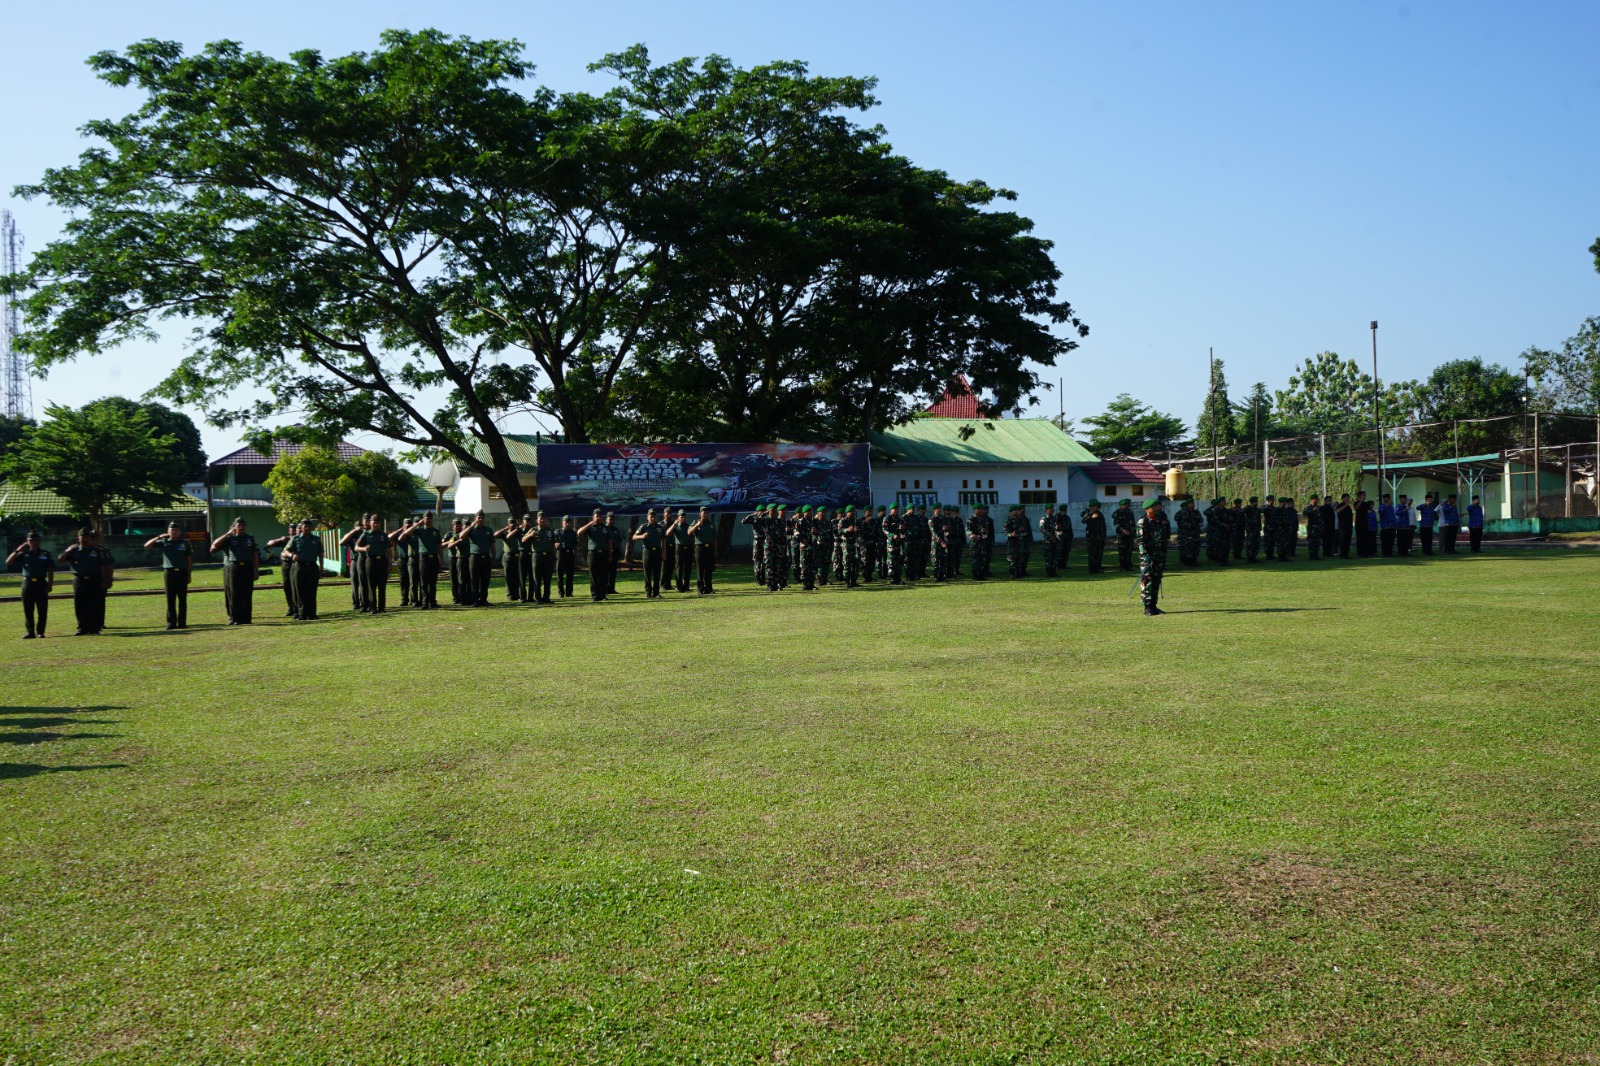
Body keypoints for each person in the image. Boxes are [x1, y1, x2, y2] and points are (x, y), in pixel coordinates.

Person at [59, 528, 114, 635]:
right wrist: (68, 550)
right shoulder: (74, 551)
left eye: (87, 537)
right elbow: (60, 560)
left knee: (94, 604)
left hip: (94, 579)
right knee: (79, 605)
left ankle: (94, 628)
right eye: (82, 537)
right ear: (78, 538)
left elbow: (103, 566)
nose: (84, 539)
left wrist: (105, 580)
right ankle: (82, 628)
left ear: (90, 538)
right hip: (79, 580)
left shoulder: (97, 551)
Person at [143, 521, 194, 629]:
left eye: (176, 530)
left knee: (182, 599)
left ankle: (182, 623)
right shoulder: (164, 542)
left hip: (182, 573)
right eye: (172, 530)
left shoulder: (185, 543)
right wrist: (158, 537)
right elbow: (147, 546)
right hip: (169, 573)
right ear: (168, 532)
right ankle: (171, 623)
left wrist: (189, 574)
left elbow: (189, 559)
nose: (174, 532)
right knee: (170, 599)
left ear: (179, 532)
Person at [211, 518, 260, 624]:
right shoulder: (229, 539)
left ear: (246, 527)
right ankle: (235, 618)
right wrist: (228, 533)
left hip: (247, 566)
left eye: (243, 525)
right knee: (234, 593)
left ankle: (247, 618)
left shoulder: (250, 539)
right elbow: (215, 545)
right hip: (234, 566)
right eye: (238, 525)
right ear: (235, 527)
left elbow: (255, 555)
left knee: (247, 593)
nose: (241, 527)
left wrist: (256, 570)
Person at [8, 531, 55, 638]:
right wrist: (18, 549)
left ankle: (40, 632)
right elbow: (9, 562)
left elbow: (51, 570)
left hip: (41, 583)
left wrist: (50, 584)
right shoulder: (23, 554)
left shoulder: (45, 554)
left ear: (40, 541)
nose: (33, 542)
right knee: (28, 609)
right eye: (31, 540)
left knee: (42, 609)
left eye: (36, 540)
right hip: (28, 583)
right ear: (27, 542)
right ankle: (30, 632)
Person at [283, 519, 324, 620]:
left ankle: (312, 613)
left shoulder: (316, 539)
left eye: (309, 526)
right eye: (305, 526)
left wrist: (321, 566)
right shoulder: (296, 539)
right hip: (299, 566)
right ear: (301, 528)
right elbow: (286, 550)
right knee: (300, 590)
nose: (307, 528)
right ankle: (302, 613)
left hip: (312, 566)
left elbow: (320, 554)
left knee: (312, 590)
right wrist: (292, 555)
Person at [401, 511, 443, 609]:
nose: (428, 520)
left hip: (434, 557)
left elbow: (439, 546)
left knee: (433, 581)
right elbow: (407, 532)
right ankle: (424, 602)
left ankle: (433, 602)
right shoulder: (419, 530)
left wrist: (441, 558)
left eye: (430, 518)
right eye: (426, 518)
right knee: (423, 581)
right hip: (423, 558)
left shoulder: (435, 531)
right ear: (423, 519)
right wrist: (418, 524)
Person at [1137, 497, 1169, 616]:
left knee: (1156, 580)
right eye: (1154, 506)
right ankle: (1147, 607)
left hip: (1159, 555)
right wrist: (1145, 555)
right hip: (1148, 557)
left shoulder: (1158, 520)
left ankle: (1154, 606)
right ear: (1148, 508)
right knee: (1147, 582)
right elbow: (1140, 541)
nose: (1157, 508)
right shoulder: (1143, 521)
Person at [356, 517, 392, 612]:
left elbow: (389, 551)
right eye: (374, 522)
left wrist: (389, 564)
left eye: (377, 523)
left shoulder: (384, 535)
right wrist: (364, 549)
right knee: (371, 585)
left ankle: (381, 607)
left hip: (382, 561)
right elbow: (356, 547)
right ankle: (372, 607)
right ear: (370, 523)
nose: (376, 524)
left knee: (382, 585)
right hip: (371, 561)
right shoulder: (366, 534)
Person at [523, 511, 557, 604]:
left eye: (544, 518)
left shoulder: (550, 531)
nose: (542, 520)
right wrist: (530, 535)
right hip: (537, 556)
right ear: (537, 520)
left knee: (547, 578)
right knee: (536, 578)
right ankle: (538, 598)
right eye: (540, 518)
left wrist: (554, 556)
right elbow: (523, 540)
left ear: (546, 520)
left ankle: (546, 598)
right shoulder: (533, 529)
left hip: (548, 556)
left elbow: (553, 545)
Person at [632, 509, 667, 597]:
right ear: (647, 517)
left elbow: (663, 541)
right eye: (651, 516)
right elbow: (634, 537)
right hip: (647, 551)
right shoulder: (643, 527)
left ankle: (656, 592)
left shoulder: (660, 527)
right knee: (647, 573)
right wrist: (642, 536)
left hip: (657, 551)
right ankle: (648, 592)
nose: (653, 518)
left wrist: (664, 553)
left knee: (657, 572)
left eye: (654, 516)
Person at [576, 510, 609, 601]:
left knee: (603, 575)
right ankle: (595, 595)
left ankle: (602, 595)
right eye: (596, 516)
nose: (598, 518)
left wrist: (610, 554)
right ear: (593, 517)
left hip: (603, 553)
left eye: (600, 516)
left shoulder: (605, 528)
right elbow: (579, 532)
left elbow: (609, 541)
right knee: (593, 575)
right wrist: (589, 524)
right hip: (593, 554)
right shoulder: (590, 528)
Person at [495, 515, 530, 602]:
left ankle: (516, 594)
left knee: (517, 576)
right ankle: (510, 594)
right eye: (511, 523)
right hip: (508, 556)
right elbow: (495, 535)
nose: (512, 525)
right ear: (508, 524)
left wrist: (516, 528)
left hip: (517, 556)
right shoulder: (505, 533)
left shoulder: (518, 532)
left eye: (514, 523)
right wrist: (504, 528)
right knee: (509, 576)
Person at [265, 528, 298, 617]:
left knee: (298, 586)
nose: (294, 531)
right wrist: (281, 540)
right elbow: (269, 543)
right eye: (292, 530)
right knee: (287, 586)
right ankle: (291, 608)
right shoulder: (286, 540)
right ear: (289, 531)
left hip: (297, 563)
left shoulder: (300, 539)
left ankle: (298, 608)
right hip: (287, 563)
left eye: (296, 529)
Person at [340, 517, 368, 611]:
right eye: (358, 527)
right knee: (354, 584)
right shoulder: (351, 536)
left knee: (364, 583)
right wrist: (354, 531)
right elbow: (341, 542)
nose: (360, 529)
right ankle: (356, 603)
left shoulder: (365, 535)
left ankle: (364, 602)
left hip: (365, 560)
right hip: (355, 561)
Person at [689, 506, 717, 593]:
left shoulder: (711, 524)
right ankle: (700, 588)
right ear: (700, 514)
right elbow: (689, 532)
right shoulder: (695, 522)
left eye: (706, 513)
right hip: (700, 548)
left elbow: (714, 539)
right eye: (703, 513)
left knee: (709, 569)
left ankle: (709, 588)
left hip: (709, 548)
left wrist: (715, 550)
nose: (705, 514)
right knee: (700, 569)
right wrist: (697, 525)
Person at [741, 505, 768, 588]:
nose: (762, 512)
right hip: (757, 541)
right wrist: (752, 514)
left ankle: (763, 579)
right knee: (757, 560)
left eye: (763, 510)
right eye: (761, 511)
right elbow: (743, 521)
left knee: (765, 560)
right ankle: (758, 579)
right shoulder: (754, 519)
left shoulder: (765, 519)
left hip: (765, 541)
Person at [966, 503, 994, 579]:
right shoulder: (971, 519)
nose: (981, 510)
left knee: (982, 558)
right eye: (979, 509)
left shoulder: (983, 519)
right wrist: (973, 535)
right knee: (975, 559)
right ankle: (976, 575)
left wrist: (985, 531)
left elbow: (986, 530)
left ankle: (981, 574)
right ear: (975, 510)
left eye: (982, 509)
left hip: (983, 541)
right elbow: (968, 531)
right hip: (975, 543)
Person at [1003, 504, 1031, 578]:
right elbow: (1005, 531)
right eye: (1014, 510)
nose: (1016, 511)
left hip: (1020, 541)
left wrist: (1023, 531)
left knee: (1019, 558)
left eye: (1017, 510)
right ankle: (1013, 574)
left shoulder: (1020, 520)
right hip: (1012, 542)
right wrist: (1011, 534)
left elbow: (1024, 530)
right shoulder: (1008, 520)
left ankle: (1019, 573)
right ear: (1011, 512)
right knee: (1012, 558)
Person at [671, 508, 694, 592]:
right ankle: (679, 586)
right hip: (679, 548)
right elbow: (668, 533)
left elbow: (692, 539)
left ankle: (686, 586)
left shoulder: (688, 526)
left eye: (684, 517)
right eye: (681, 517)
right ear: (678, 517)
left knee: (688, 568)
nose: (683, 518)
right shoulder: (676, 527)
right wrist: (674, 524)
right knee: (679, 567)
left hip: (688, 548)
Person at [1081, 500, 1107, 573]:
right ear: (1092, 507)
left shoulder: (1100, 514)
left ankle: (1098, 568)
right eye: (1095, 506)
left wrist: (1104, 537)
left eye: (1097, 506)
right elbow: (1083, 521)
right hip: (1091, 538)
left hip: (1100, 537)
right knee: (1092, 554)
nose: (1097, 508)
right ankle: (1092, 569)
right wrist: (1090, 514)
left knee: (1099, 554)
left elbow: (1103, 526)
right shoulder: (1087, 513)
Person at [555, 515, 578, 598]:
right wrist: (556, 545)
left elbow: (575, 545)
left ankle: (569, 592)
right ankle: (561, 592)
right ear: (562, 523)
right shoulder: (557, 532)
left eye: (568, 522)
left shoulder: (573, 533)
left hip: (570, 554)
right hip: (561, 553)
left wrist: (575, 556)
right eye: (565, 522)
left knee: (570, 574)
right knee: (560, 574)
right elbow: (554, 543)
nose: (567, 524)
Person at [1175, 498, 1202, 566]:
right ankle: (1188, 561)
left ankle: (1193, 560)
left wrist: (1198, 519)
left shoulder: (1196, 512)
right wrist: (1186, 525)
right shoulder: (1183, 512)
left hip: (1195, 532)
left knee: (1196, 547)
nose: (1193, 504)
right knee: (1188, 547)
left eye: (1193, 503)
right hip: (1186, 533)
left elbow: (1201, 520)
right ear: (1187, 505)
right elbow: (1177, 519)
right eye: (1191, 503)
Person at [394, 517, 414, 607]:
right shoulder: (399, 535)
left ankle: (413, 599)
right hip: (402, 560)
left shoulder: (414, 534)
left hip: (412, 560)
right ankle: (404, 599)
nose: (409, 527)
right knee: (403, 581)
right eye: (407, 526)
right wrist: (400, 530)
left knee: (412, 581)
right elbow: (389, 537)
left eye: (410, 526)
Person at [1112, 499, 1136, 571]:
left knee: (1129, 550)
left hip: (1130, 534)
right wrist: (1123, 530)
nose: (1128, 505)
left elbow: (1132, 523)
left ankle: (1128, 565)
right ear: (1122, 505)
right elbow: (1115, 524)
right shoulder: (1117, 513)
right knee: (1122, 550)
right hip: (1122, 535)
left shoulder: (1130, 512)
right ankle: (1123, 566)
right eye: (1127, 504)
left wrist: (1133, 533)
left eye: (1128, 504)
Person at [1038, 505, 1061, 577]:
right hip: (1047, 541)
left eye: (1052, 508)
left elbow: (1057, 529)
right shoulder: (1043, 519)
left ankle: (1054, 573)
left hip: (1055, 541)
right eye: (1050, 509)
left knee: (1055, 558)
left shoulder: (1054, 518)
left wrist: (1057, 532)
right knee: (1048, 558)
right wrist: (1050, 536)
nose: (1052, 510)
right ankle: (1049, 573)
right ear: (1046, 510)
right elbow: (1042, 529)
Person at [1242, 497, 1261, 563]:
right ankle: (1250, 557)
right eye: (1256, 501)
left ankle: (1254, 556)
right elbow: (1242, 512)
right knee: (1250, 543)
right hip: (1250, 529)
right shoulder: (1248, 508)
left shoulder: (1257, 509)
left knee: (1256, 543)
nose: (1257, 503)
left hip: (1257, 528)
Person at [1055, 504, 1072, 572]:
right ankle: (1059, 565)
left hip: (1067, 537)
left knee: (1066, 551)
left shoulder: (1067, 517)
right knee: (1060, 551)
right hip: (1060, 537)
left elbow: (1069, 527)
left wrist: (1071, 536)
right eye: (1064, 510)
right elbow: (1056, 527)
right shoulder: (1057, 517)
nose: (1065, 511)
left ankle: (1064, 564)